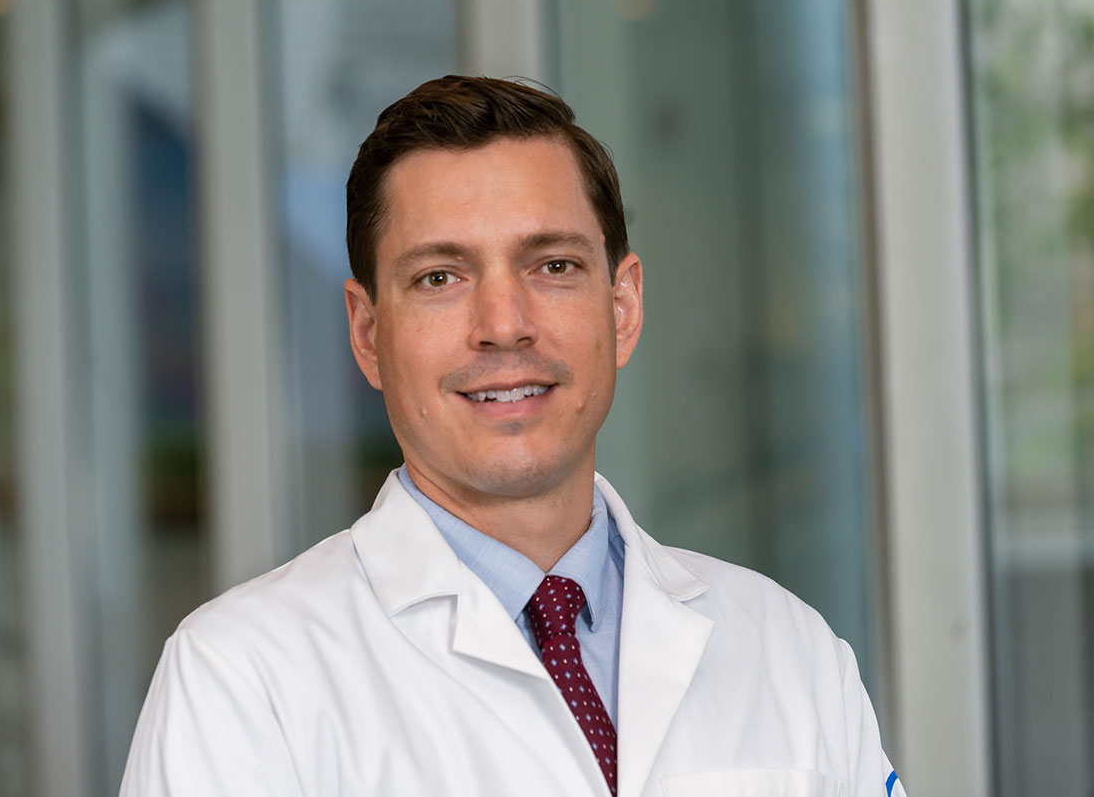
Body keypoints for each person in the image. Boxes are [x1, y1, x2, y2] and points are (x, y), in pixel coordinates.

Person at [119, 76, 906, 797]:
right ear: (367, 333)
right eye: (440, 277)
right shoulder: (242, 682)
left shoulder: (788, 649)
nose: (504, 324)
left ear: (623, 307)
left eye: (553, 265)